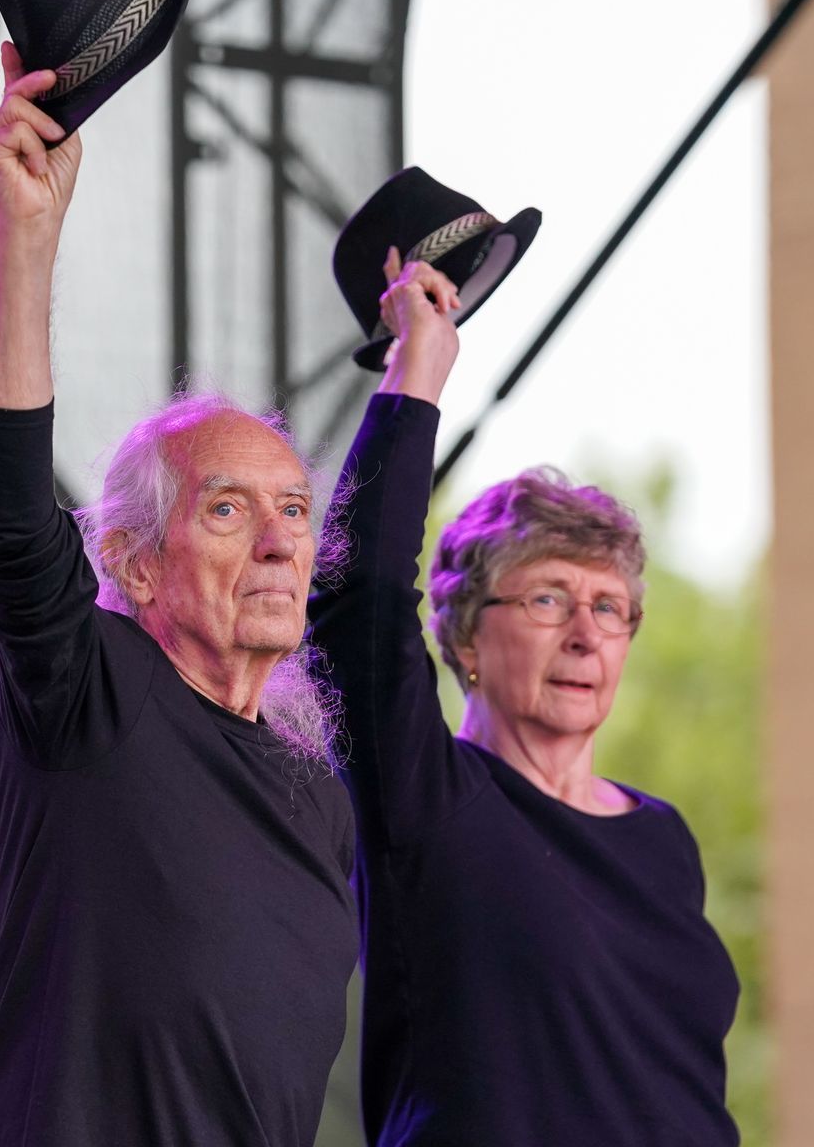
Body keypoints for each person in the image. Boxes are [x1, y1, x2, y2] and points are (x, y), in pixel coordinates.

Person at [0, 43, 358, 1147]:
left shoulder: (313, 795)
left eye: (294, 509)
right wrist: (25, 242)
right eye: (229, 510)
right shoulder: (98, 692)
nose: (279, 540)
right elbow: (8, 521)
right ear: (137, 564)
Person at [309, 251, 740, 1145]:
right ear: (465, 636)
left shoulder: (663, 839)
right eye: (548, 599)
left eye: (610, 609)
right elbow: (358, 602)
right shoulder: (430, 798)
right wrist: (416, 366)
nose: (586, 634)